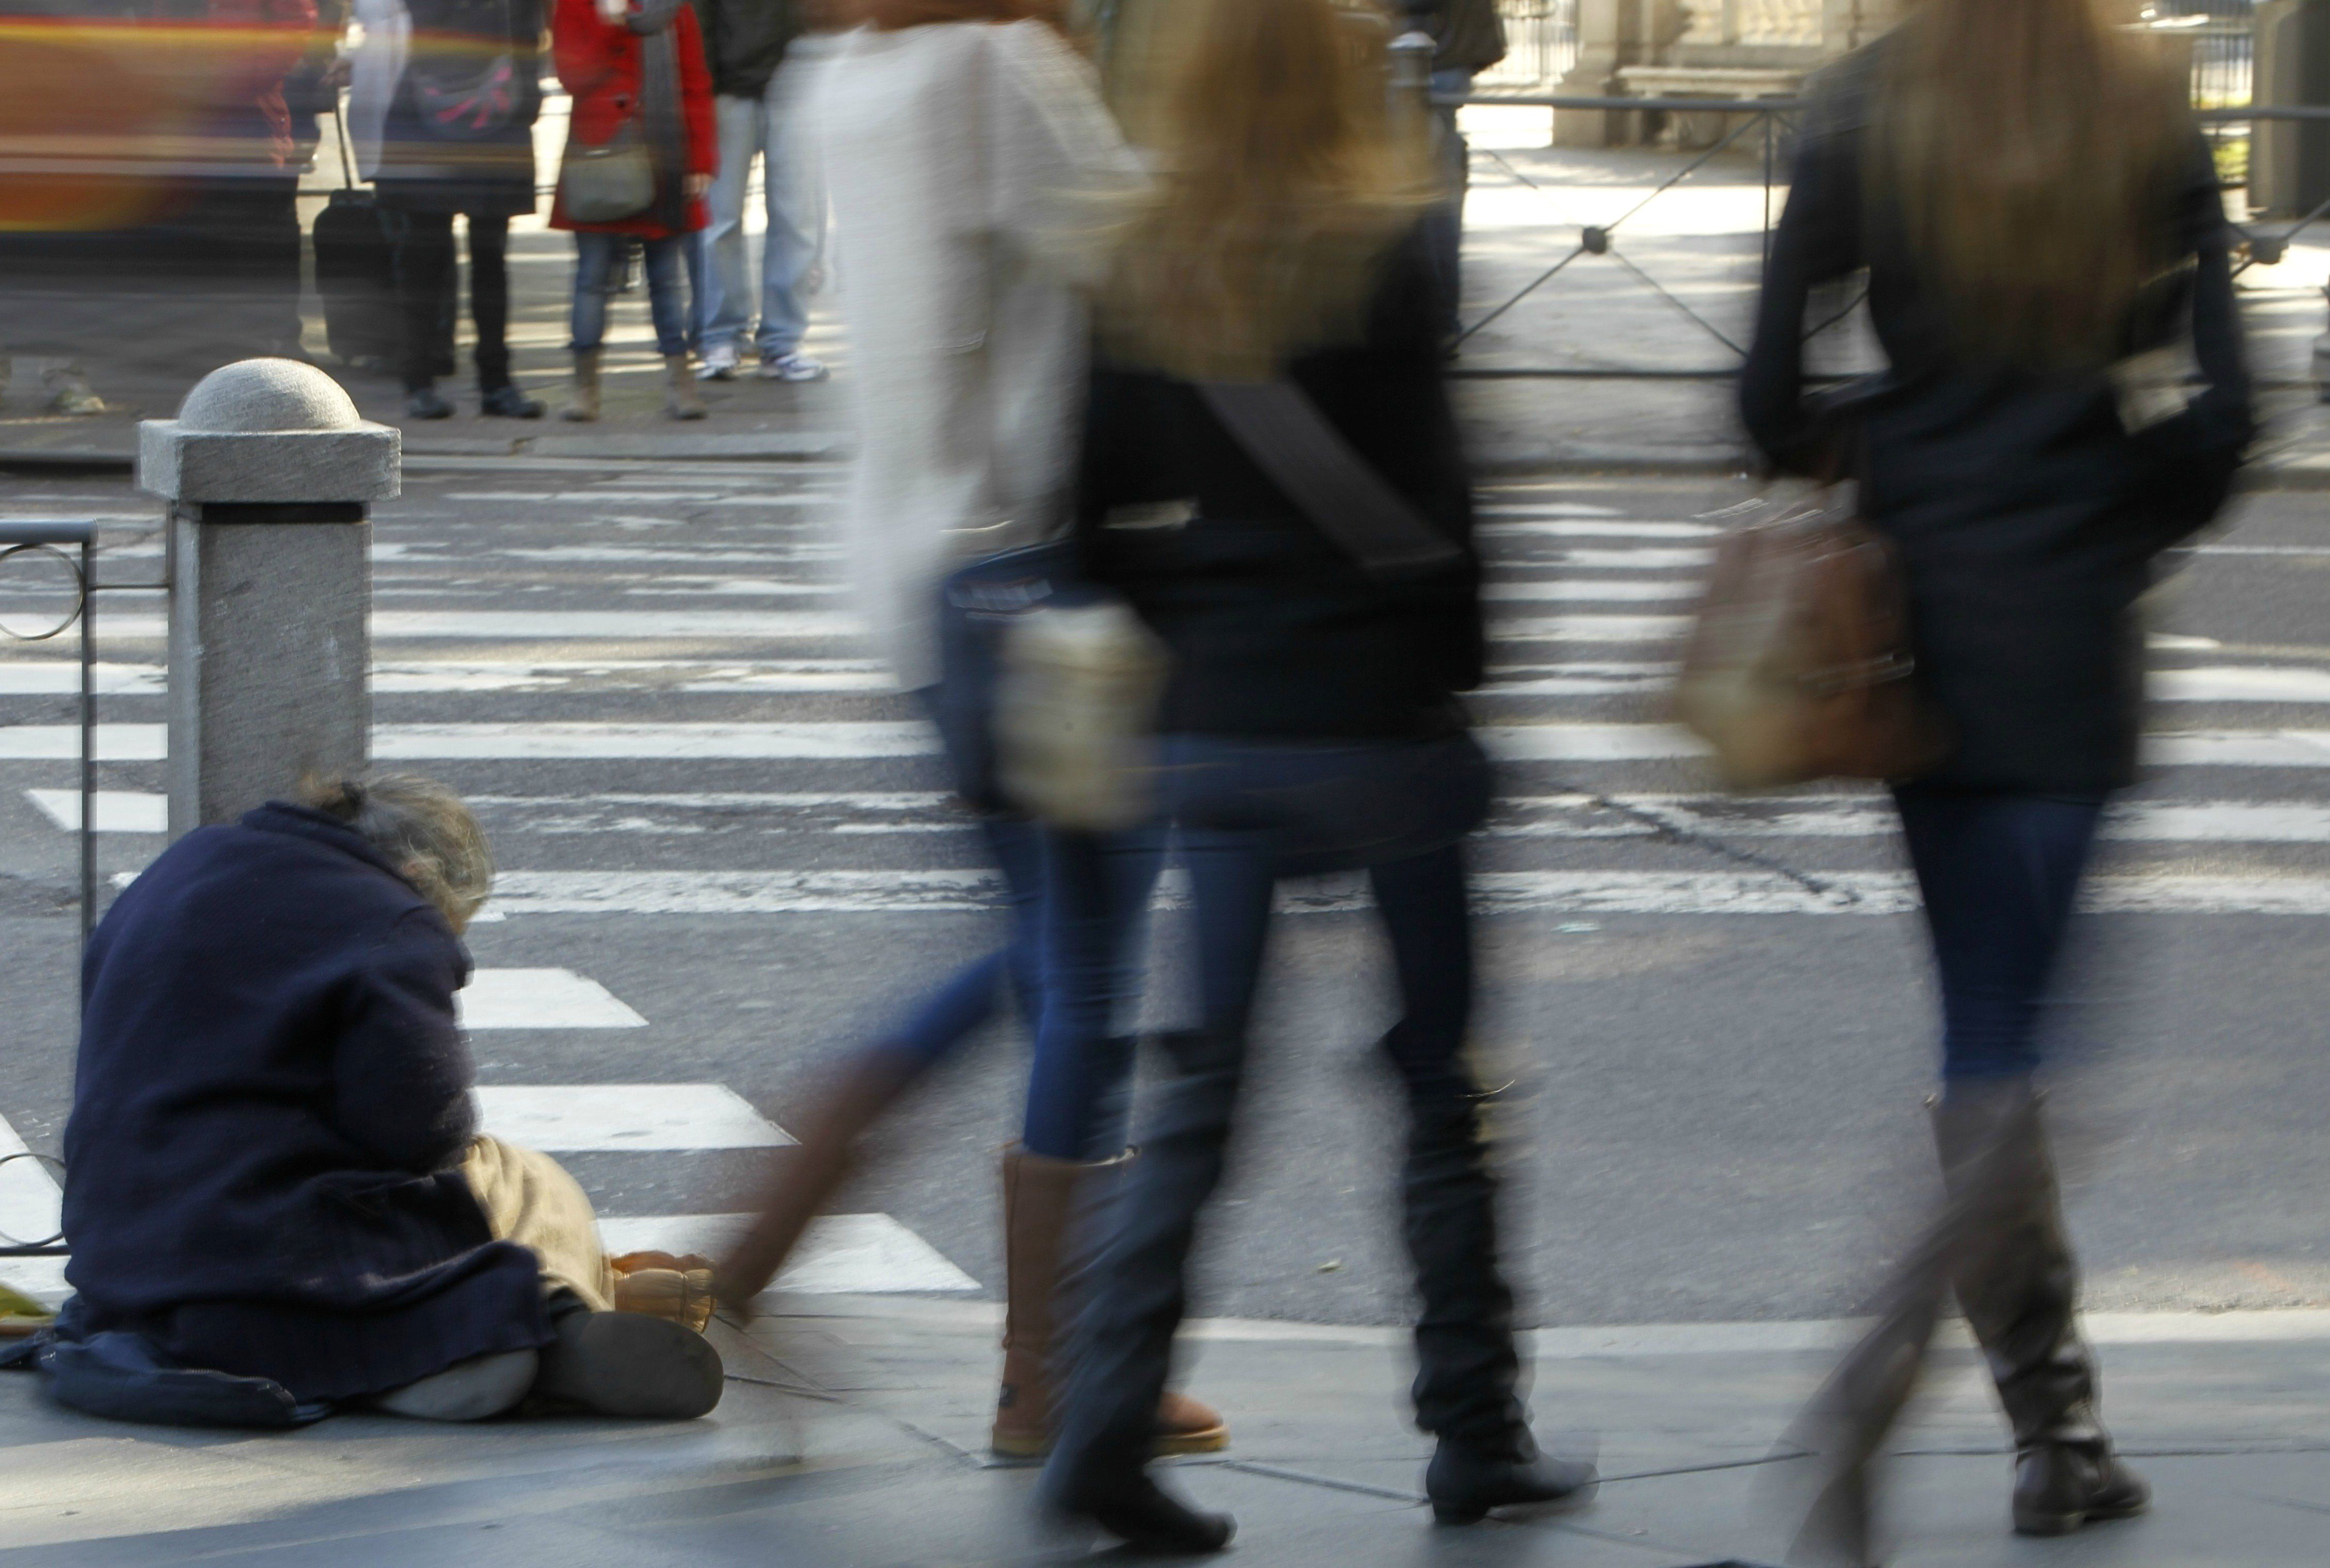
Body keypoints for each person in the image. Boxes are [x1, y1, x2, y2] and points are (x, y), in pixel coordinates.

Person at [1037, 0, 1594, 1550]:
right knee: (1441, 1083)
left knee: (1200, 1088)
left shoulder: (1130, 249)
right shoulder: (1389, 246)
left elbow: (1079, 531)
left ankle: (1100, 1423)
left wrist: (1198, 637)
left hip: (1215, 728)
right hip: (1384, 728)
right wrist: (1458, 678)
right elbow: (1448, 511)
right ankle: (1473, 1428)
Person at [1738, 0, 2252, 1555]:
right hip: (2070, 630)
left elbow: (1763, 403)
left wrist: (1889, 452)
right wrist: (2108, 507)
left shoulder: (1859, 107)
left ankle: (2055, 1426)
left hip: (1908, 636)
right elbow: (2226, 419)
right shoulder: (2141, 112)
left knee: (1984, 1039)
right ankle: (1894, 1377)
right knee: (2017, 1046)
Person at [711, 0, 1224, 1467]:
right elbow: (1155, 273)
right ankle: (1053, 1376)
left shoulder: (840, 70)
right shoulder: (1002, 68)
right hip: (1042, 584)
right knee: (1086, 959)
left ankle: (756, 1248)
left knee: (1043, 943)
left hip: (915, 574)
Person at [50, 775, 724, 1425]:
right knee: (524, 1178)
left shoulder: (183, 865)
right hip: (278, 1259)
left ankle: (483, 1343)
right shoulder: (390, 917)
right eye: (456, 923)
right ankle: (543, 1321)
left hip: (123, 1256)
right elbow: (427, 1131)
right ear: (424, 873)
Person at [369, 0, 551, 420]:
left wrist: (527, 98)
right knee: (425, 256)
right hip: (430, 107)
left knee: (490, 257)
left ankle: (495, 381)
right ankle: (419, 380)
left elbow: (530, 33)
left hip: (495, 109)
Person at [550, 0, 717, 421]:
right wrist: (611, 25)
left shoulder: (673, 9)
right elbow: (573, 77)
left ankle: (681, 383)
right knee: (591, 278)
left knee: (666, 280)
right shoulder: (576, 6)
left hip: (664, 156)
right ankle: (584, 388)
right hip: (599, 161)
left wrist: (700, 162)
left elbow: (694, 82)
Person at [685, 0, 827, 382]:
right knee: (719, 220)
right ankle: (720, 337)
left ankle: (783, 342)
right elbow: (698, 14)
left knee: (797, 218)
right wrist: (705, 86)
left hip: (796, 84)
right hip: (729, 89)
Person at [1403, 0, 1503, 343]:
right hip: (1448, 54)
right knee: (1435, 194)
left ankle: (1436, 321)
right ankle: (1441, 321)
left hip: (1422, 54)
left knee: (1425, 200)